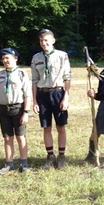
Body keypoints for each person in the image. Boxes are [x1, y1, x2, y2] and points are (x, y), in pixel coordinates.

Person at [31, 29, 71, 170]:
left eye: (47, 40)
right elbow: (35, 81)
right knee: (46, 127)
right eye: (41, 40)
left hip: (58, 93)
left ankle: (61, 156)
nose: (44, 43)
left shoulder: (62, 56)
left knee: (60, 126)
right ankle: (50, 156)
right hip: (42, 95)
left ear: (53, 40)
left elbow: (67, 78)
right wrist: (35, 101)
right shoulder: (36, 58)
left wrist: (65, 98)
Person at [0, 47, 31, 174]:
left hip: (18, 109)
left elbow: (27, 95)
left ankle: (24, 163)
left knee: (20, 136)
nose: (5, 61)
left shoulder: (22, 74)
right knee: (7, 137)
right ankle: (9, 163)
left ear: (15, 58)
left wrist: (26, 112)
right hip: (4, 110)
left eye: (7, 58)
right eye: (3, 58)